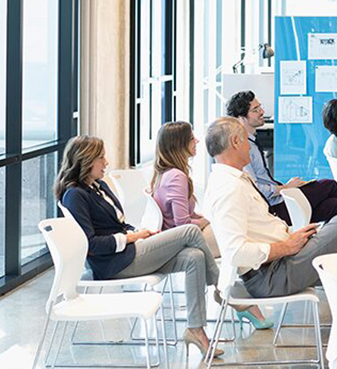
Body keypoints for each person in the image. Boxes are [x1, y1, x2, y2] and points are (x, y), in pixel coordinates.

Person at [202, 117, 337, 345]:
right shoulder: (229, 189)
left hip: (282, 262)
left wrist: (291, 238)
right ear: (235, 142)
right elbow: (235, 252)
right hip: (271, 275)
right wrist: (284, 246)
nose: (249, 145)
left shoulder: (233, 181)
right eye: (245, 140)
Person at [55, 135, 223, 357]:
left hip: (131, 251)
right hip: (115, 263)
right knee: (190, 230)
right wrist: (132, 239)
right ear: (86, 161)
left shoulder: (99, 186)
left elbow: (119, 223)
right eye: (101, 158)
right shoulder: (75, 195)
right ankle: (220, 288)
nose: (106, 162)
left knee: (194, 257)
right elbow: (91, 245)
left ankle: (196, 329)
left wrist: (138, 234)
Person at [149, 121, 272, 330]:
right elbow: (182, 224)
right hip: (185, 240)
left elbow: (187, 216)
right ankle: (236, 296)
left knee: (234, 232)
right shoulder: (176, 177)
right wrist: (208, 219)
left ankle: (236, 296)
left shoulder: (168, 174)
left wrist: (206, 218)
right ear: (180, 144)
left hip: (187, 236)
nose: (197, 141)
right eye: (191, 139)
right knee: (239, 237)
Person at [226, 90, 337, 225]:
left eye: (260, 106)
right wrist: (285, 188)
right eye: (256, 109)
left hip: (279, 199)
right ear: (241, 117)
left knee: (334, 205)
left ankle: (332, 242)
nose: (262, 112)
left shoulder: (252, 141)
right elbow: (255, 188)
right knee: (330, 185)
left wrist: (283, 186)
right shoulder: (243, 148)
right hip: (274, 208)